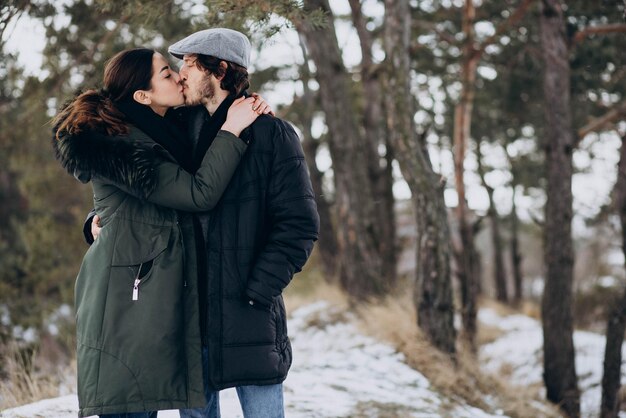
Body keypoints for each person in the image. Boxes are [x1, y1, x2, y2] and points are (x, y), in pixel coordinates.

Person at [88, 28, 320, 418]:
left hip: (250, 313)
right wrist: (96, 220)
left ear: (220, 70)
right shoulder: (178, 131)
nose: (181, 75)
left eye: (190, 66)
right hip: (189, 317)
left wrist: (258, 290)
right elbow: (140, 187)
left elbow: (299, 224)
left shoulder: (271, 134)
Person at [52, 47, 271, 418]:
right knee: (128, 405)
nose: (178, 76)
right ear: (143, 96)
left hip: (145, 294)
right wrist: (233, 129)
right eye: (166, 74)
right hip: (125, 302)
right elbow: (196, 194)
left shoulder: (163, 126)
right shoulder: (124, 144)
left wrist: (251, 108)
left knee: (139, 401)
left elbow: (131, 203)